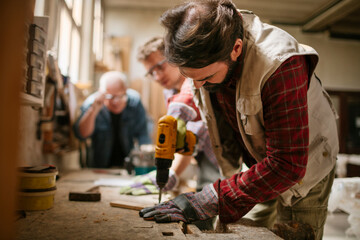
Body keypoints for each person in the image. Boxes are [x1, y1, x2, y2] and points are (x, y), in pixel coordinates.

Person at [139, 1, 339, 239]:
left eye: (206, 77)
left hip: (304, 167)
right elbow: (195, 76)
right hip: (259, 162)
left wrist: (210, 198)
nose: (198, 85)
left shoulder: (280, 64)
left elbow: (287, 165)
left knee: (291, 233)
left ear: (235, 49)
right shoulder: (209, 52)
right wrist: (180, 109)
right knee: (241, 230)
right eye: (188, 75)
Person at [134, 36, 221, 192]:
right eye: (151, 73)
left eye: (160, 67)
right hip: (200, 158)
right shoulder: (169, 92)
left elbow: (192, 135)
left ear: (174, 57)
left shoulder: (197, 80)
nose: (157, 77)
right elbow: (181, 140)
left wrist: (172, 173)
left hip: (221, 160)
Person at [73, 71, 151, 168]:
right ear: (100, 92)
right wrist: (93, 110)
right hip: (99, 167)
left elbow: (143, 135)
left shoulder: (134, 102)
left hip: (128, 165)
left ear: (126, 91)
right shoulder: (92, 104)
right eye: (110, 96)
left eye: (120, 96)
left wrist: (144, 161)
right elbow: (82, 135)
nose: (116, 102)